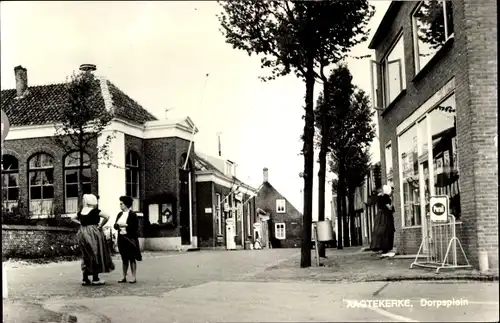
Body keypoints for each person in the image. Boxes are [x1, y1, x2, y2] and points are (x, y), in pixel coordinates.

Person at [73, 194, 115, 286]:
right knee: (96, 253)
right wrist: (101, 225)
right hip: (93, 233)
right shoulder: (95, 211)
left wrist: (80, 222)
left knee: (86, 255)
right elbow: (107, 216)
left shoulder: (81, 211)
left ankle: (85, 278)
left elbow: (72, 218)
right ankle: (95, 278)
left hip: (82, 232)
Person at [114, 196, 142, 283]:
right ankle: (123, 276)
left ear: (126, 205)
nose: (120, 205)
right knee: (124, 258)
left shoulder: (133, 215)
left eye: (121, 204)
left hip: (130, 238)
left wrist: (126, 225)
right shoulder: (119, 214)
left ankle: (133, 277)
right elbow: (115, 226)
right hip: (121, 238)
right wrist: (117, 225)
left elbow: (135, 227)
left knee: (132, 257)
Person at [370, 184, 396, 258]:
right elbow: (390, 208)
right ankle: (386, 248)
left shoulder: (379, 197)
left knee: (380, 230)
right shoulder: (386, 197)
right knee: (387, 230)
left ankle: (379, 246)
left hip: (380, 215)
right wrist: (393, 199)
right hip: (386, 216)